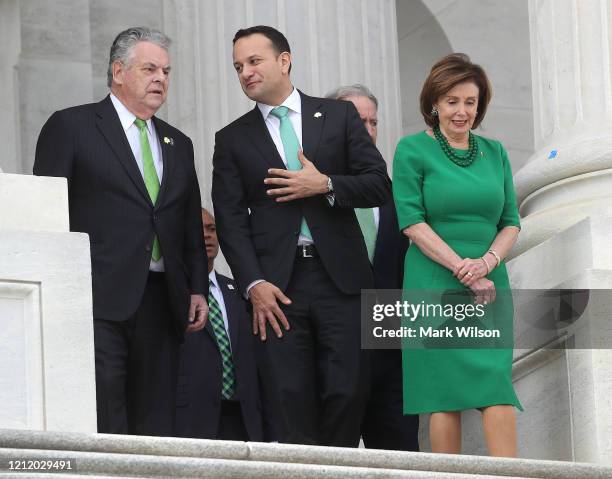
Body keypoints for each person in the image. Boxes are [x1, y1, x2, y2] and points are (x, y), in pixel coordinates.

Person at [212, 25, 391, 446]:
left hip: (343, 283)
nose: (245, 73)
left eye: (254, 61)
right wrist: (253, 283)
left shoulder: (337, 116)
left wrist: (325, 184)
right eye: (238, 66)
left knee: (347, 392)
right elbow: (230, 219)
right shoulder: (232, 139)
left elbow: (377, 183)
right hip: (277, 289)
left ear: (284, 61)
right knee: (288, 399)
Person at [33, 27, 208, 436]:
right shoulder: (71, 126)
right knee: (104, 411)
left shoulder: (178, 142)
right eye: (149, 69)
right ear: (118, 71)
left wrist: (197, 286)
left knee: (156, 419)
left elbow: (186, 223)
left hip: (163, 300)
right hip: (95, 299)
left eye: (166, 71)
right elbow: (48, 214)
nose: (161, 79)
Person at [392, 53, 521, 456]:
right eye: (452, 101)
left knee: (495, 382)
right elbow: (412, 222)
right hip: (432, 279)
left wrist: (487, 264)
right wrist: (464, 269)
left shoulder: (496, 152)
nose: (462, 111)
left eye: (470, 102)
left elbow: (512, 221)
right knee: (440, 394)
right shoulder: (411, 150)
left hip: (490, 281)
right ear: (434, 103)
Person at [326, 84, 419, 451]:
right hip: (333, 343)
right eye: (357, 120)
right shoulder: (314, 188)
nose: (367, 129)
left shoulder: (395, 192)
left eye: (373, 121)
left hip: (389, 342)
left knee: (401, 455)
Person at [175, 208, 272, 441]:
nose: (208, 236)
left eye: (212, 229)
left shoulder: (241, 291)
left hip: (242, 417)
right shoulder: (172, 292)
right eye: (199, 230)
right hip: (189, 417)